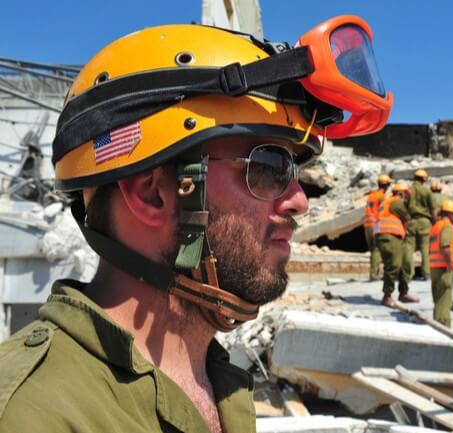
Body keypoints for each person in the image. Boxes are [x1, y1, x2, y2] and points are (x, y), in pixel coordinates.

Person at [0, 18, 393, 433]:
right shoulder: (31, 413)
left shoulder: (220, 384)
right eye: (268, 166)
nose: (298, 201)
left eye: (295, 169)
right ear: (152, 194)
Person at [375, 183, 419, 306]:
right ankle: (387, 295)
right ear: (401, 194)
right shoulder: (396, 202)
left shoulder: (387, 202)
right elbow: (408, 218)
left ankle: (403, 293)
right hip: (389, 236)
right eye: (406, 196)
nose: (407, 199)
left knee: (405, 264)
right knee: (393, 265)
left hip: (394, 236)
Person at [429, 199, 453, 326]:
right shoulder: (447, 226)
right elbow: (445, 246)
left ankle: (437, 323)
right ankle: (443, 326)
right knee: (444, 298)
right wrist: (451, 264)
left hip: (435, 267)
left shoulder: (435, 227)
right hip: (444, 267)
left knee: (438, 298)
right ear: (450, 214)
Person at [402, 169, 435, 282]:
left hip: (411, 221)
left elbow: (403, 206)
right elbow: (434, 210)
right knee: (425, 249)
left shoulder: (408, 191)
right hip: (425, 222)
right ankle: (427, 274)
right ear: (424, 179)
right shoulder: (427, 192)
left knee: (409, 249)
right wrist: (435, 223)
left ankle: (409, 274)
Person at [363, 174, 392, 281]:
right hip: (375, 225)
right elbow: (385, 212)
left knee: (373, 250)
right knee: (377, 250)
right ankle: (374, 275)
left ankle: (373, 272)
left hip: (367, 225)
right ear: (387, 185)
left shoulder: (372, 195)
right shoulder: (381, 197)